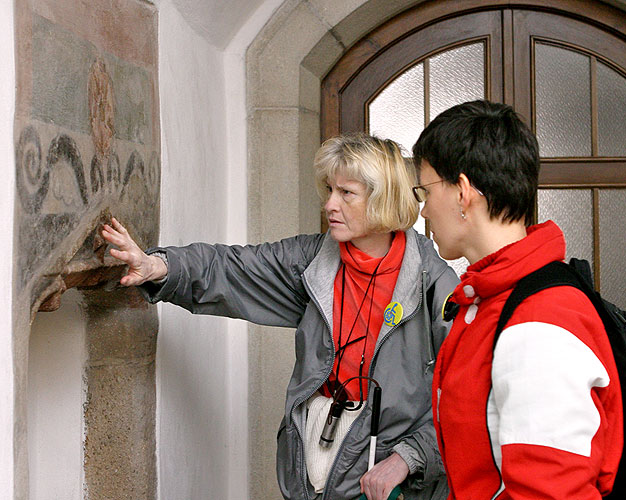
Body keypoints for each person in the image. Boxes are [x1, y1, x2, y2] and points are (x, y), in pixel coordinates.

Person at [102, 134, 459, 500]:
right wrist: (158, 265)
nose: (329, 205)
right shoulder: (312, 262)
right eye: (329, 190)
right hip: (312, 464)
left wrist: (408, 457)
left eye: (346, 193)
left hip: (392, 483)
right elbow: (232, 268)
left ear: (383, 198)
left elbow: (467, 403)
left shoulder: (435, 286)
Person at [412, 100, 623, 499]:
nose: (423, 210)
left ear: (462, 192)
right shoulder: (490, 299)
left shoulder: (539, 322)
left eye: (426, 191)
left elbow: (552, 492)